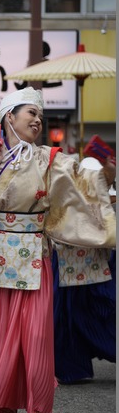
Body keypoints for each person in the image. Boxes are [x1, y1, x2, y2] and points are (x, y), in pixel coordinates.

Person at [0, 87, 116, 413]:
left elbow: (84, 187)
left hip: (32, 256)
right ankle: (5, 407)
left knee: (35, 336)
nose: (37, 121)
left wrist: (104, 174)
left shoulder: (51, 159)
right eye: (30, 114)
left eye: (40, 116)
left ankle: (37, 411)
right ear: (10, 116)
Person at [49, 157, 115, 384]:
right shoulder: (63, 195)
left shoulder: (104, 200)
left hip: (94, 267)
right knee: (66, 320)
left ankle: (72, 367)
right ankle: (71, 368)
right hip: (68, 265)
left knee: (102, 314)